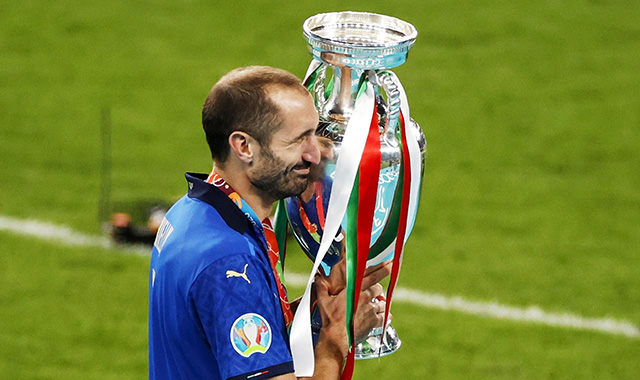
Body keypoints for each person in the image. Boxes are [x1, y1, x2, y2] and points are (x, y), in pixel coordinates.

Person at [148, 66, 391, 380]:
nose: (315, 155)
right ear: (244, 146)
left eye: (313, 134)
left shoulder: (195, 212)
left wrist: (317, 308)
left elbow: (222, 329)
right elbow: (232, 292)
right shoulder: (230, 264)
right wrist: (336, 338)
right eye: (297, 140)